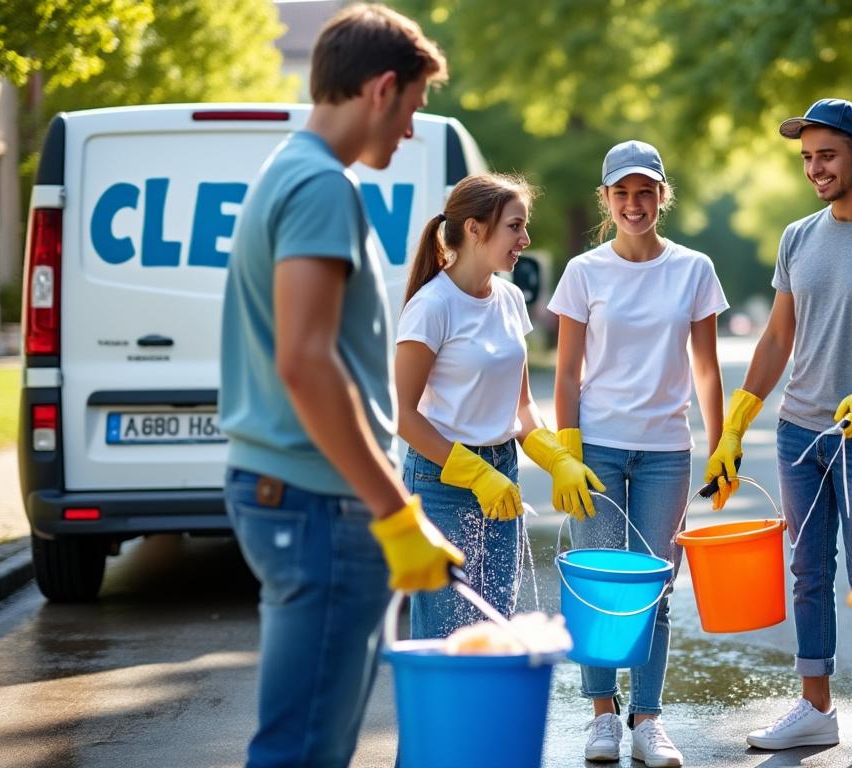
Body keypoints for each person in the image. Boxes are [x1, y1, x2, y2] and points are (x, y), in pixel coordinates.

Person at [218, 5, 463, 766]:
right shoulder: (321, 187)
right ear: (382, 89)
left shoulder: (289, 170)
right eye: (415, 108)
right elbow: (307, 362)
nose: (412, 130)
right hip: (319, 507)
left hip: (295, 497)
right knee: (303, 752)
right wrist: (395, 511)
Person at [703, 99, 852, 765]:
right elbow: (778, 337)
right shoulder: (798, 237)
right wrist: (735, 425)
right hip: (799, 434)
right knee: (808, 573)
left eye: (827, 155)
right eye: (807, 158)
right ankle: (814, 709)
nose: (815, 169)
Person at [549, 140, 728, 767]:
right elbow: (567, 370)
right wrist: (565, 447)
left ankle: (647, 719)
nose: (634, 203)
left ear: (662, 197)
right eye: (621, 193)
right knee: (601, 585)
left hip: (665, 451)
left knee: (655, 586)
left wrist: (721, 444)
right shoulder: (584, 272)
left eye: (645, 192)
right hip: (596, 447)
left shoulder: (694, 269)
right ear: (606, 200)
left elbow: (706, 369)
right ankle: (602, 718)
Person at [395, 173, 604, 639]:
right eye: (515, 226)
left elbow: (524, 409)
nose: (525, 239)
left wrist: (558, 459)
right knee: (446, 637)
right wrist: (474, 473)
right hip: (442, 482)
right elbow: (404, 417)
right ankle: (441, 717)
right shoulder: (433, 306)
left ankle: (487, 717)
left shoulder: (510, 299)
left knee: (494, 630)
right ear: (474, 229)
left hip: (502, 477)